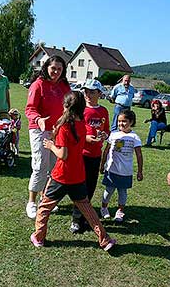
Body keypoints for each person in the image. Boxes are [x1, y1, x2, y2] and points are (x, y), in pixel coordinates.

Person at [30, 91, 116, 251]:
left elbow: (63, 154)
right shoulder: (82, 125)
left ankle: (39, 237)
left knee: (43, 207)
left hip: (61, 176)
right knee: (87, 209)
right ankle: (105, 240)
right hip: (78, 176)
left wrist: (50, 146)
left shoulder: (64, 127)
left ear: (65, 106)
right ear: (82, 108)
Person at [25, 55, 70, 219]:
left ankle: (47, 199)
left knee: (54, 167)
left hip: (57, 131)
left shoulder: (64, 85)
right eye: (53, 68)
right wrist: (39, 119)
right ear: (46, 68)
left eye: (59, 69)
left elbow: (69, 106)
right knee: (40, 166)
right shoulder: (38, 85)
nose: (56, 72)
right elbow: (29, 109)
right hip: (39, 130)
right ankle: (31, 202)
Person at [70, 79, 110, 233]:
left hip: (95, 155)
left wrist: (103, 135)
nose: (87, 94)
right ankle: (75, 219)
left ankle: (85, 217)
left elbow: (107, 131)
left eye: (92, 92)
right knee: (80, 188)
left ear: (99, 93)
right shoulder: (80, 110)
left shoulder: (103, 111)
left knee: (90, 187)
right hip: (81, 155)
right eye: (86, 91)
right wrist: (85, 138)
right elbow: (73, 131)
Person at [100, 110, 143, 222]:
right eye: (119, 121)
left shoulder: (135, 137)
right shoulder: (114, 134)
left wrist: (139, 171)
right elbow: (106, 151)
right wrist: (102, 164)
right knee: (109, 190)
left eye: (124, 121)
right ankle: (104, 208)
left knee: (122, 192)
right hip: (112, 170)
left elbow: (139, 155)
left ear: (131, 122)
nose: (121, 124)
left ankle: (120, 211)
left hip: (125, 171)